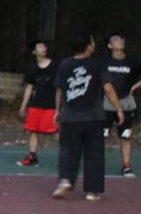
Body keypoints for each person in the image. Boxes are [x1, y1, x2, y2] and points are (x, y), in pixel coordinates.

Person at [52, 36, 124, 201]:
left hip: (70, 116)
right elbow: (108, 88)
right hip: (93, 117)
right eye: (92, 42)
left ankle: (66, 179)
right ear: (88, 47)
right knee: (94, 154)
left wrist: (57, 110)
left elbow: (60, 90)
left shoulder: (65, 64)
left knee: (68, 151)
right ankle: (93, 190)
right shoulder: (98, 64)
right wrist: (119, 109)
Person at [103, 34, 141, 177]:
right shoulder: (103, 61)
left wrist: (135, 86)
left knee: (125, 135)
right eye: (116, 40)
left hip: (126, 103)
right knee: (101, 136)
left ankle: (126, 166)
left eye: (121, 39)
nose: (120, 41)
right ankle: (97, 164)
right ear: (110, 46)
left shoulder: (132, 61)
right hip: (106, 104)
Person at [17, 40, 59, 167]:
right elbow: (29, 88)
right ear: (34, 52)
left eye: (44, 46)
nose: (43, 48)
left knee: (56, 131)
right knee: (33, 130)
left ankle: (66, 156)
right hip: (37, 104)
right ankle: (32, 157)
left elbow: (60, 87)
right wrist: (23, 106)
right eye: (40, 47)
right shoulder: (32, 69)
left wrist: (59, 106)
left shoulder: (55, 65)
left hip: (52, 105)